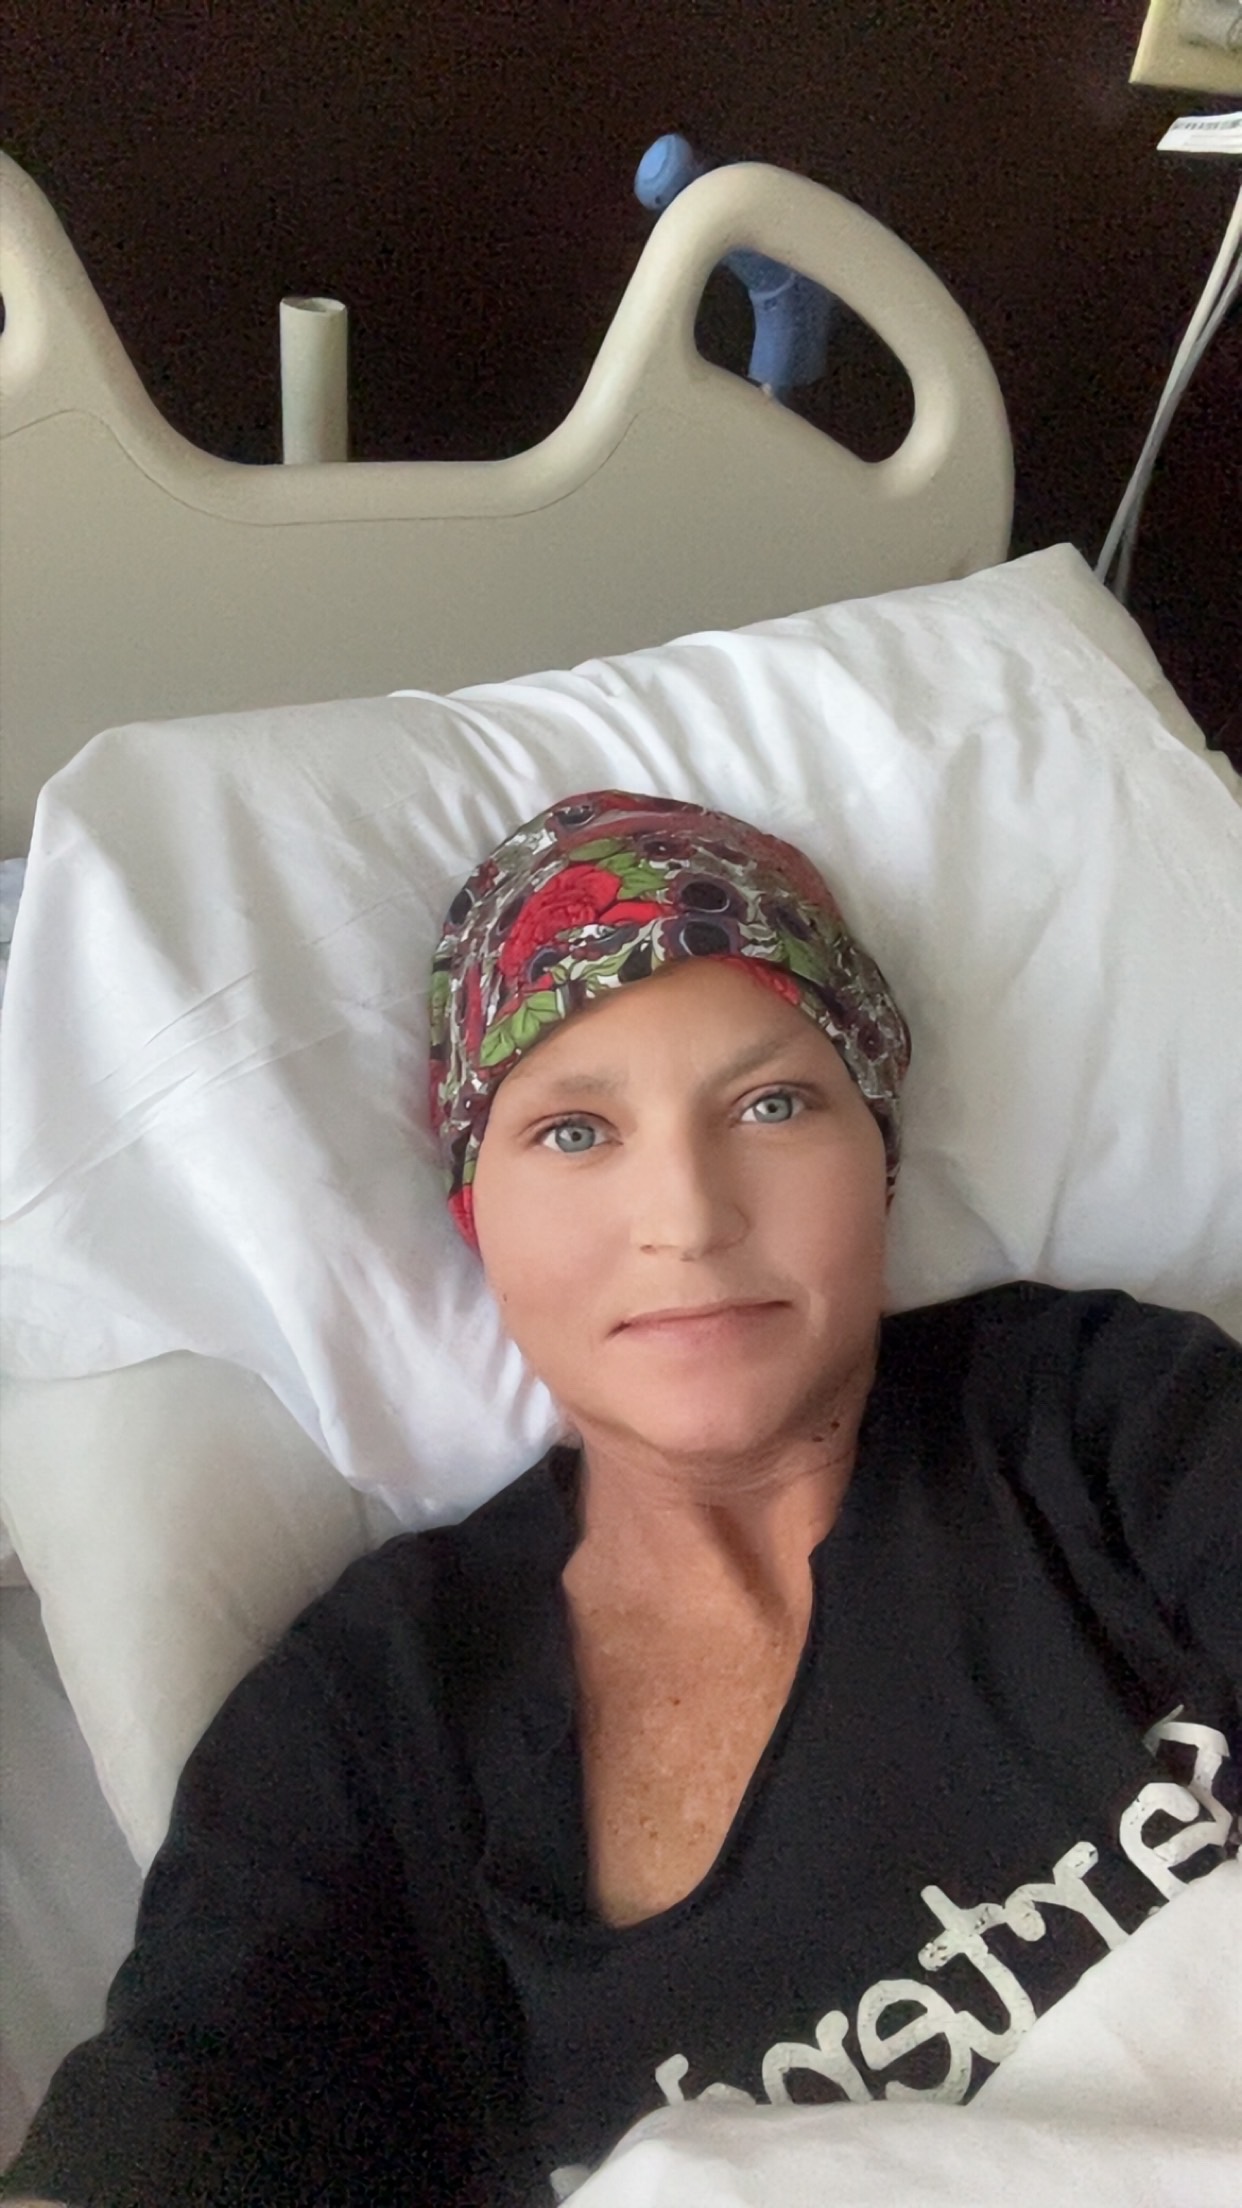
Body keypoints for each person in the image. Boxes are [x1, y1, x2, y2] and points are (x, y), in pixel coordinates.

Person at [4, 790, 1239, 2208]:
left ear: (879, 1154)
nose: (691, 1219)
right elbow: (190, 2108)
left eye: (772, 1104)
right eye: (576, 1131)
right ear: (475, 1209)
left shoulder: (1103, 1420)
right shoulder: (375, 1718)